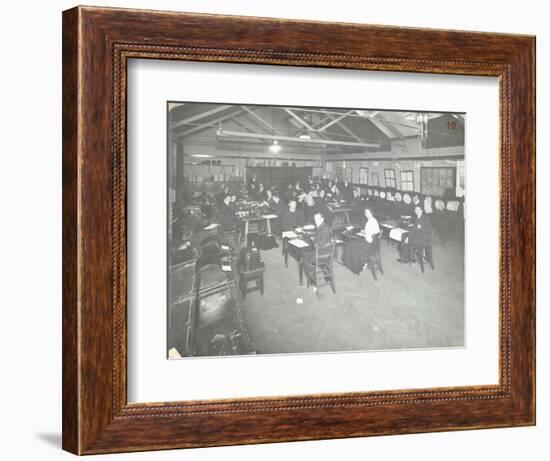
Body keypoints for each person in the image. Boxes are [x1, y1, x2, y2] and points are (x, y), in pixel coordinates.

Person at [342, 207, 381, 274]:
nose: (367, 214)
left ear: (372, 212)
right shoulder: (374, 220)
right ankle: (360, 263)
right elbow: (372, 232)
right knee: (354, 242)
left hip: (369, 244)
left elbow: (369, 237)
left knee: (352, 244)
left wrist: (362, 234)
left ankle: (355, 266)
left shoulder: (370, 222)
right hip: (374, 244)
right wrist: (363, 232)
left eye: (368, 212)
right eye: (366, 212)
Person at [302, 212, 332, 276]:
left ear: (322, 218)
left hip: (321, 256)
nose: (316, 221)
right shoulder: (324, 226)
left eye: (318, 219)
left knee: (304, 255)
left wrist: (313, 241)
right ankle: (327, 275)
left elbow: (318, 245)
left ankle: (311, 279)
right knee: (308, 249)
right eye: (315, 219)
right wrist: (314, 239)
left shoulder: (324, 228)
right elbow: (323, 239)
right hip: (328, 253)